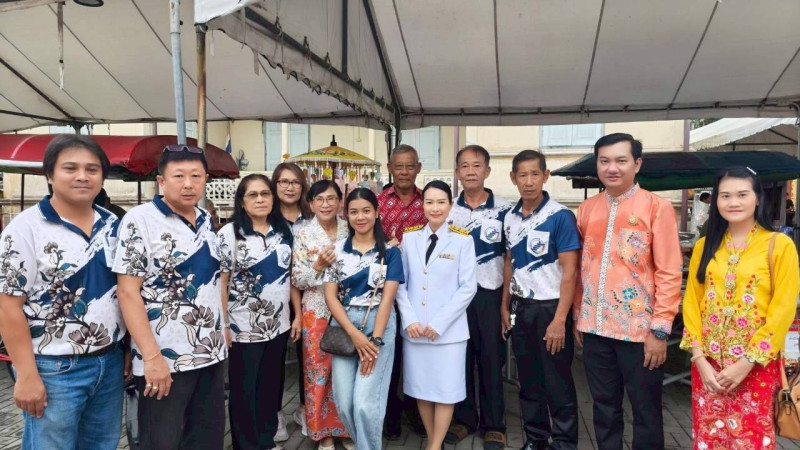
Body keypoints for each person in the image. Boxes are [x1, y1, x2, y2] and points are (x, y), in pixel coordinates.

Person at [0, 135, 128, 449]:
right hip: (53, 368)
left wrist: (126, 350)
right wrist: (26, 375)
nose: (82, 176)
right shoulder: (25, 229)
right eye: (70, 168)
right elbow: (8, 306)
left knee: (102, 444)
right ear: (49, 175)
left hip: (109, 361)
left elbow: (124, 293)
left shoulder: (113, 225)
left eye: (92, 169)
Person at [573, 133, 682, 450]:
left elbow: (669, 270)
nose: (612, 168)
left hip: (640, 332)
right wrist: (579, 314)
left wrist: (660, 330)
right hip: (594, 328)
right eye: (604, 161)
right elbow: (580, 267)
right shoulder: (587, 209)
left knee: (646, 409)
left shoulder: (657, 207)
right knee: (603, 408)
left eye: (621, 160)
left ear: (637, 164)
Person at [113, 146, 227, 449]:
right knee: (161, 440)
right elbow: (127, 292)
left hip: (210, 355)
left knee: (206, 439)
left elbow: (214, 281)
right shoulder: (140, 220)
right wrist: (152, 358)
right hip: (164, 360)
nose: (188, 184)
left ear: (205, 180)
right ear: (161, 182)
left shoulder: (205, 219)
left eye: (196, 176)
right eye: (179, 176)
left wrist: (224, 329)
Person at [681, 167, 800, 449]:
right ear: (716, 201)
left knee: (751, 440)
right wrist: (699, 358)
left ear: (757, 198)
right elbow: (692, 302)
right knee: (709, 438)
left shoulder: (779, 245)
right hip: (708, 367)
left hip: (756, 366)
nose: (733, 202)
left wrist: (746, 363)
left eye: (742, 195)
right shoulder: (705, 246)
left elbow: (783, 309)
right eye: (725, 196)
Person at [501, 150, 581, 450]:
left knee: (557, 382)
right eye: (522, 175)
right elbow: (508, 262)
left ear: (545, 176)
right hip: (521, 309)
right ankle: (536, 439)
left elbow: (570, 271)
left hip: (551, 309)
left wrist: (560, 320)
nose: (529, 181)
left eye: (535, 174)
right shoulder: (510, 218)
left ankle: (564, 443)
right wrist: (504, 305)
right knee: (529, 382)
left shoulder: (560, 216)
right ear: (513, 178)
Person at [218, 173, 301, 450]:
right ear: (241, 201)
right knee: (245, 391)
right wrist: (224, 325)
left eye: (265, 194)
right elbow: (221, 282)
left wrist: (297, 315)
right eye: (252, 195)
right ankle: (246, 444)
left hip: (278, 325)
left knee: (269, 387)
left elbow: (290, 277)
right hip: (243, 328)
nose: (260, 199)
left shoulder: (284, 232)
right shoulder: (230, 234)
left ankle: (266, 440)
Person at [396, 180, 478, 450]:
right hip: (416, 330)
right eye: (429, 202)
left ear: (450, 205)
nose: (435, 208)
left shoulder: (462, 240)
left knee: (445, 391)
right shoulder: (409, 238)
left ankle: (433, 446)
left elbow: (468, 288)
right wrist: (409, 319)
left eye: (441, 202)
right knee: (421, 389)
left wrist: (440, 323)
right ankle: (435, 441)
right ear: (422, 205)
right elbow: (400, 283)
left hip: (448, 333)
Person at [323, 188, 404, 449]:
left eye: (366, 210)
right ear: (346, 215)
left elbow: (387, 299)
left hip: (378, 325)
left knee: (365, 404)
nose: (361, 217)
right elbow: (330, 296)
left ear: (377, 213)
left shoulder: (390, 253)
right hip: (344, 326)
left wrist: (375, 340)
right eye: (354, 212)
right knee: (345, 402)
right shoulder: (337, 251)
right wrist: (354, 334)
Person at [446, 145, 512, 449]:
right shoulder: (448, 210)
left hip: (490, 295)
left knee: (491, 359)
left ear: (487, 170)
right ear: (457, 172)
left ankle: (494, 424)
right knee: (460, 358)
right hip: (456, 297)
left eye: (476, 165)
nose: (470, 171)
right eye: (464, 166)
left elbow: (510, 258)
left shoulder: (505, 211)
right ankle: (464, 419)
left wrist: (505, 303)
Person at [291, 180, 354, 450]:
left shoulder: (350, 228)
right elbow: (296, 279)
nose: (326, 204)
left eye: (331, 199)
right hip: (316, 311)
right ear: (311, 203)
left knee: (345, 372)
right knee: (317, 374)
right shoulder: (303, 234)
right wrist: (317, 266)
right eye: (319, 199)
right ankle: (322, 433)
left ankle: (346, 429)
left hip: (349, 310)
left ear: (340, 201)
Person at [377, 144, 428, 439]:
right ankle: (390, 415)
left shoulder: (429, 202)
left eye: (410, 166)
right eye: (399, 166)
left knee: (417, 352)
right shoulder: (378, 203)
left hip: (423, 291)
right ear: (390, 168)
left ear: (418, 168)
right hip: (387, 290)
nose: (405, 172)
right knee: (390, 354)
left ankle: (416, 410)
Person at [272, 161, 313, 437]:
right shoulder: (266, 217)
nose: (289, 187)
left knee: (307, 356)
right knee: (275, 357)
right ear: (275, 185)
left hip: (307, 295)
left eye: (295, 182)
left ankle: (304, 408)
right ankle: (276, 413)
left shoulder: (311, 219)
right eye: (284, 181)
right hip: (273, 297)